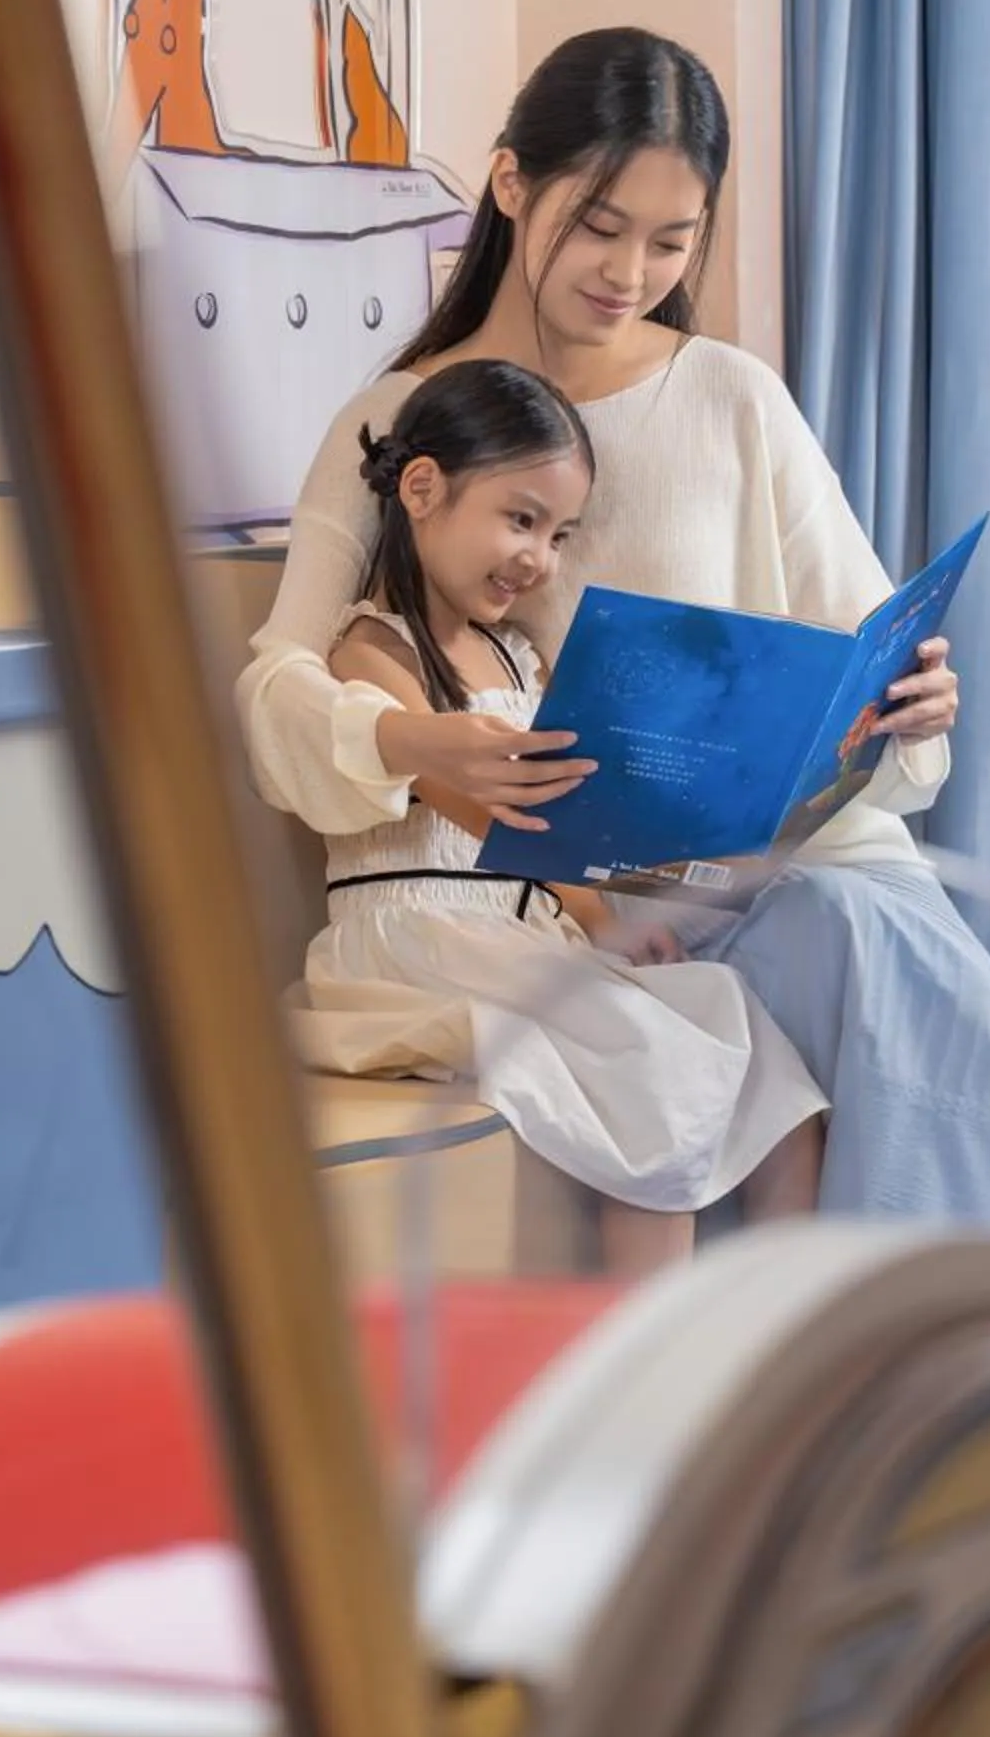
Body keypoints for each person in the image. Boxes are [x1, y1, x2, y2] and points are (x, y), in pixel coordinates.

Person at [240, 27, 990, 1226]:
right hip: (598, 906)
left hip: (787, 865)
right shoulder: (406, 422)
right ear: (511, 185)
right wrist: (410, 746)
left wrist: (911, 699)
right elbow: (274, 687)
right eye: (601, 228)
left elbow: (861, 637)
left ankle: (917, 1358)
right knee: (866, 958)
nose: (630, 273)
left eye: (672, 242)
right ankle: (872, 1362)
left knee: (904, 956)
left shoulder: (730, 394)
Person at [266, 355, 826, 1275]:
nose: (540, 558)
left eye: (560, 534)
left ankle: (768, 1337)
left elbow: (570, 811)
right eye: (520, 520)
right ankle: (645, 1356)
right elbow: (500, 811)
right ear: (421, 489)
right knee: (653, 1060)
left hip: (526, 931)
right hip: (425, 938)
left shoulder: (522, 657)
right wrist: (599, 913)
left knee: (757, 1051)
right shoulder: (370, 652)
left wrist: (616, 909)